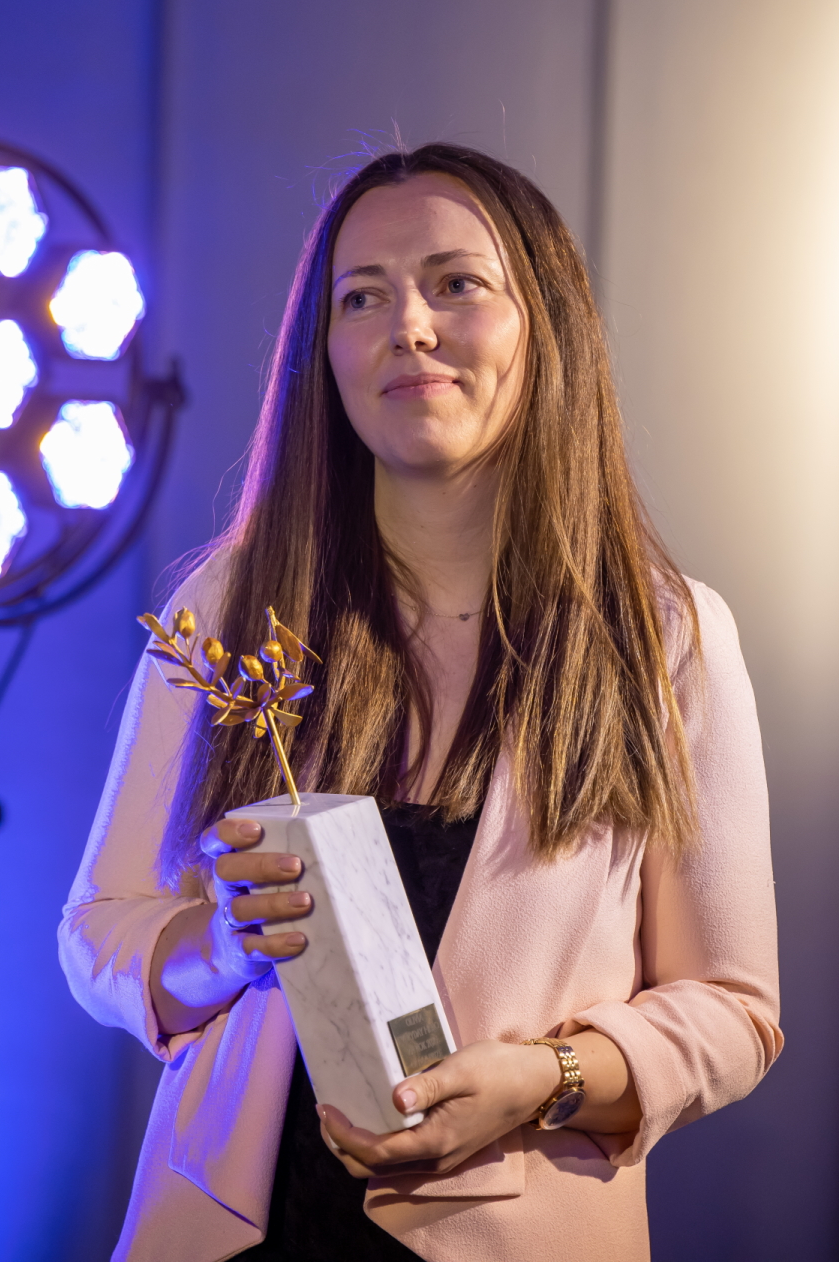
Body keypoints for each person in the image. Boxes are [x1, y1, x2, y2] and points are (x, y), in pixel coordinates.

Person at [59, 144, 781, 1262]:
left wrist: (546, 1078)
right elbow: (97, 930)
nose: (409, 326)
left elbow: (732, 1007)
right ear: (323, 353)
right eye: (363, 297)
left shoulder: (663, 636)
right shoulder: (231, 605)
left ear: (545, 325)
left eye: (456, 284)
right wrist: (224, 945)